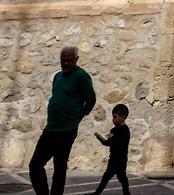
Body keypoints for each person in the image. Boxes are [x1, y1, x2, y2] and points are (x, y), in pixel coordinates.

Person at [29, 45, 96, 195]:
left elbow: (91, 100)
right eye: (63, 61)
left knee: (59, 168)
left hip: (67, 130)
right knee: (35, 165)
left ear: (76, 60)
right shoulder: (58, 77)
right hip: (51, 128)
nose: (65, 63)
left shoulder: (81, 76)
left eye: (69, 60)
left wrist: (78, 118)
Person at [91, 103, 131, 195]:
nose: (113, 120)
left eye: (115, 117)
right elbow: (108, 143)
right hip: (113, 159)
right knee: (105, 177)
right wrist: (99, 137)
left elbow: (123, 141)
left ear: (123, 117)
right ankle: (97, 193)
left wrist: (114, 137)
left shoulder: (125, 130)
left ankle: (126, 192)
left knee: (122, 178)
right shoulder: (113, 130)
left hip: (121, 160)